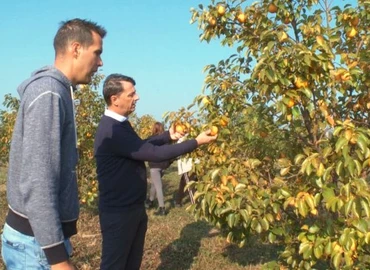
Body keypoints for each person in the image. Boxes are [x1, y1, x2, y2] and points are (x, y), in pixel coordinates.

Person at [1, 19, 106, 270]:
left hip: (36, 241)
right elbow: (38, 179)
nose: (100, 62)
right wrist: (57, 258)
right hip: (35, 245)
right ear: (76, 49)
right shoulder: (49, 92)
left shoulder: (57, 90)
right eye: (97, 53)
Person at [94, 73, 217, 270]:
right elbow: (154, 154)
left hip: (131, 208)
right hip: (119, 212)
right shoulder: (112, 130)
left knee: (131, 263)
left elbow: (139, 146)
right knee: (114, 265)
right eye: (131, 94)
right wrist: (196, 142)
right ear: (114, 99)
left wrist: (168, 134)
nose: (138, 97)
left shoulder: (120, 124)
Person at [145, 122, 172, 216]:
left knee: (158, 187)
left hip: (154, 166)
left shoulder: (151, 140)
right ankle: (150, 201)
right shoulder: (166, 140)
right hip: (163, 166)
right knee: (154, 184)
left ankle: (162, 208)